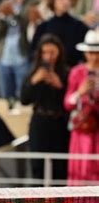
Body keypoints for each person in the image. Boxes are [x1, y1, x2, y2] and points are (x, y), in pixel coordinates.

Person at [21, 34, 69, 182]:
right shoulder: (33, 73)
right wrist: (35, 81)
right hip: (40, 123)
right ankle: (38, 202)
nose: (48, 56)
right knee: (37, 165)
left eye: (52, 52)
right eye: (45, 52)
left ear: (59, 52)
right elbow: (24, 99)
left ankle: (59, 202)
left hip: (60, 123)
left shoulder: (67, 73)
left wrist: (59, 85)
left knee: (59, 167)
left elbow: (70, 102)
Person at [0, 0, 37, 99]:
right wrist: (1, 16)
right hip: (3, 57)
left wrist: (16, 15)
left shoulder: (35, 3)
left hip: (23, 56)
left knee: (23, 97)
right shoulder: (4, 2)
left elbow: (35, 30)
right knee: (5, 99)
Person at [64, 29, 99, 190]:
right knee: (82, 164)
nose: (94, 56)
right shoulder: (76, 72)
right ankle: (80, 202)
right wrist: (80, 92)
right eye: (90, 52)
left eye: (96, 52)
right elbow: (68, 103)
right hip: (82, 128)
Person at [31, 0, 89, 67]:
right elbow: (34, 52)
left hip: (72, 71)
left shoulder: (79, 26)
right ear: (52, 0)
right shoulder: (43, 27)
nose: (66, 1)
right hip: (49, 70)